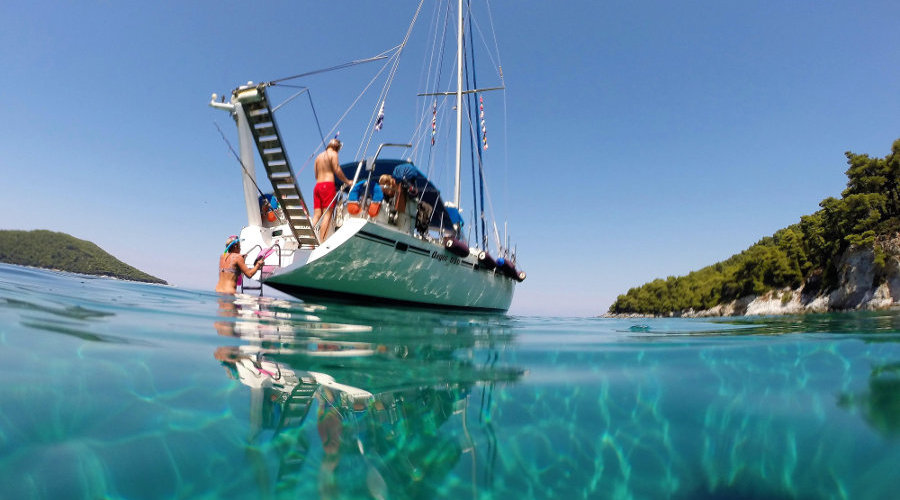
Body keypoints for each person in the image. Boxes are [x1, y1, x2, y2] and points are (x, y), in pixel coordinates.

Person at [312, 138, 352, 241]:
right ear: (337, 147)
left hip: (317, 187)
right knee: (328, 214)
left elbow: (316, 174)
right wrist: (347, 181)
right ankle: (322, 241)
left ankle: (311, 239)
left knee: (317, 215)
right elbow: (337, 169)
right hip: (327, 186)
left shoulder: (318, 157)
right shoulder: (334, 154)